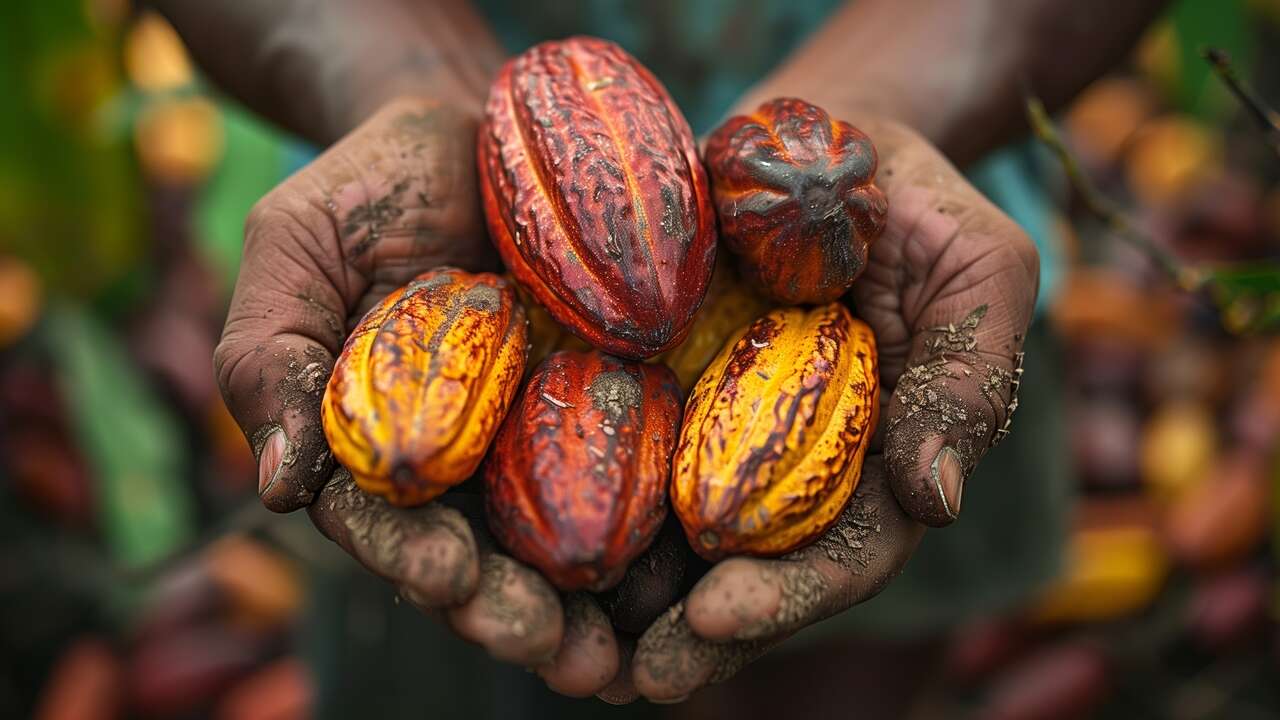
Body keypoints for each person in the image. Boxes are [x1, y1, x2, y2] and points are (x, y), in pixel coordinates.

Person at [154, 0, 1166, 713]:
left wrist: (877, 107)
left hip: (901, 213)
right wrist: (408, 86)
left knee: (850, 664)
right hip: (430, 155)